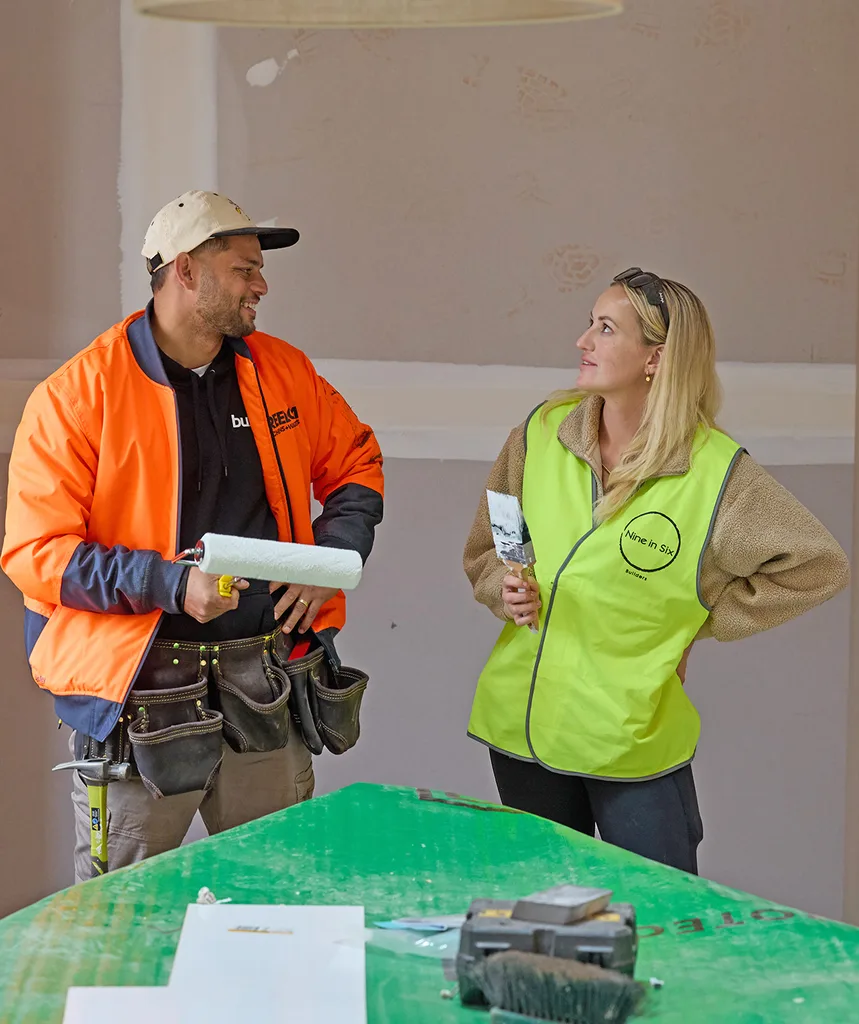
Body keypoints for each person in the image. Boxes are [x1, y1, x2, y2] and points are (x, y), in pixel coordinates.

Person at [2, 190, 384, 881]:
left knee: (280, 904)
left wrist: (328, 560)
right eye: (243, 269)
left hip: (263, 687)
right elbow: (38, 555)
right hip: (139, 704)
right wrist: (172, 583)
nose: (260, 286)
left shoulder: (280, 371)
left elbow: (355, 461)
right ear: (185, 271)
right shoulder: (77, 395)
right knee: (121, 926)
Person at [463, 266, 849, 874]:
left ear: (656, 358)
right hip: (520, 726)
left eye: (606, 328)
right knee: (543, 913)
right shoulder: (540, 433)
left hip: (629, 740)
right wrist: (504, 587)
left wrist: (696, 620)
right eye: (590, 324)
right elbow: (492, 545)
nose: (583, 341)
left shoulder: (716, 473)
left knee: (656, 925)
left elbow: (816, 566)